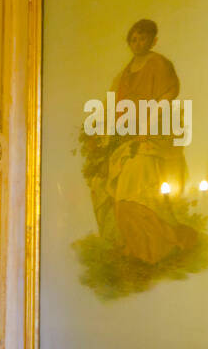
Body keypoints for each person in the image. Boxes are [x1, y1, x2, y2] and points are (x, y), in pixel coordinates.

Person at [83, 19, 195, 264]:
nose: (138, 43)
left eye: (143, 38)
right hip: (127, 137)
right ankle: (133, 247)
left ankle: (158, 247)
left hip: (154, 137)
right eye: (133, 39)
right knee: (109, 187)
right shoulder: (124, 73)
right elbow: (110, 104)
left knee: (133, 191)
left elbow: (167, 96)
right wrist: (99, 130)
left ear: (153, 40)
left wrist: (146, 126)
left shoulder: (159, 64)